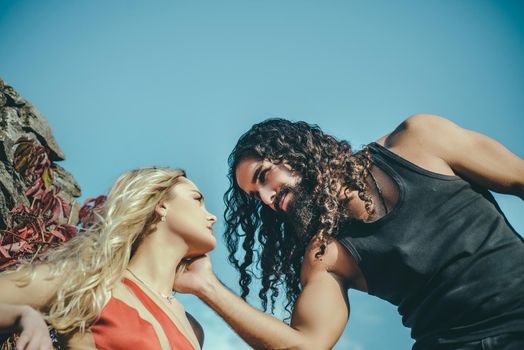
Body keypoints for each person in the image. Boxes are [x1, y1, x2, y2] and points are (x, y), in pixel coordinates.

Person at [174, 114, 524, 350]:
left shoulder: (419, 141)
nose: (267, 198)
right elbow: (307, 345)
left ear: (295, 152)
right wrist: (207, 286)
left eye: (264, 177)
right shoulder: (325, 255)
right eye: (256, 196)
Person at [0, 167, 217, 350]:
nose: (212, 216)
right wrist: (24, 315)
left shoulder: (193, 328)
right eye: (197, 199)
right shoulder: (89, 283)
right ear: (161, 205)